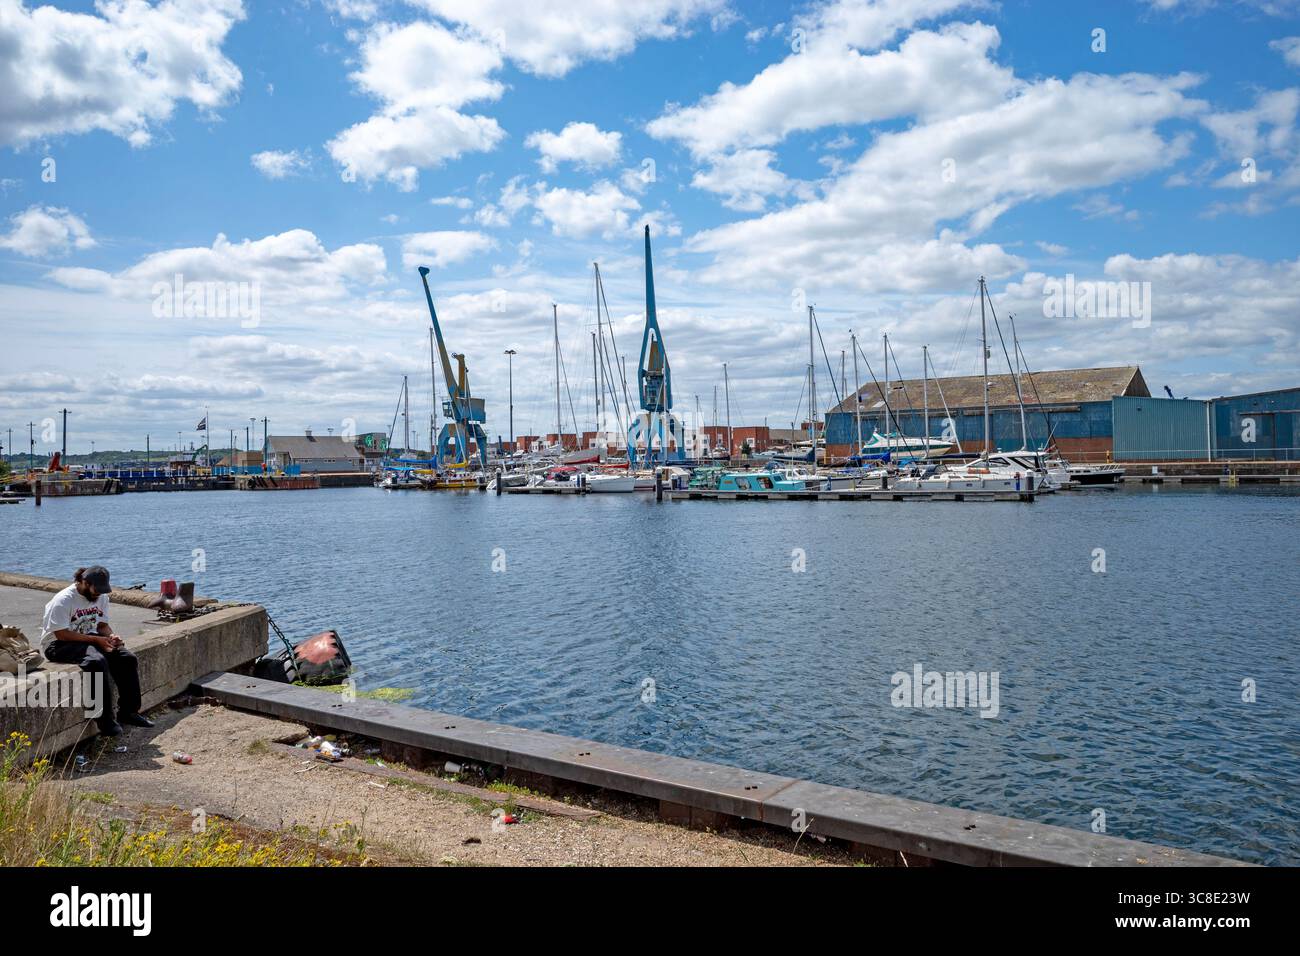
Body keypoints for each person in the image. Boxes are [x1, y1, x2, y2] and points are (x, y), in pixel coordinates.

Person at [40, 566, 154, 737]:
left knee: (126, 658)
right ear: (84, 582)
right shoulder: (63, 600)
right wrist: (96, 640)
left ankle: (129, 712)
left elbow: (101, 626)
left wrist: (112, 637)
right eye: (95, 591)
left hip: (88, 637)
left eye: (102, 591)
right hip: (58, 644)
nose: (98, 595)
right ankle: (104, 720)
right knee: (95, 661)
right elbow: (62, 634)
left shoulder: (101, 597)